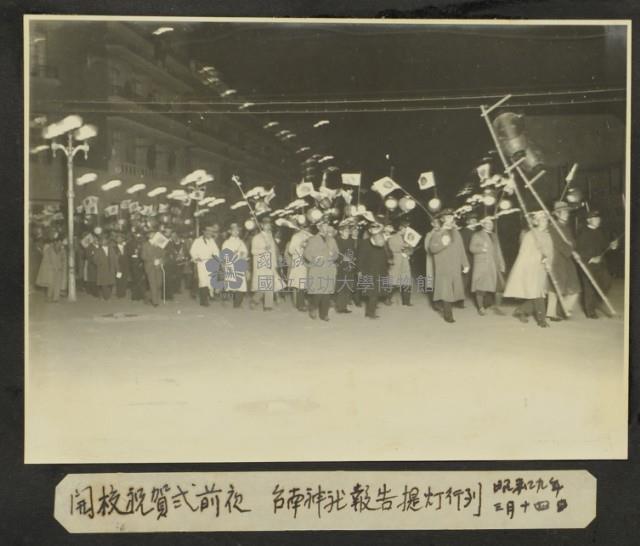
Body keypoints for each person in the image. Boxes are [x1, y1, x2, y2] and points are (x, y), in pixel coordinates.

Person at [504, 211, 554, 328]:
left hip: (542, 269)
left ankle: (521, 310)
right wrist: (538, 257)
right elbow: (524, 253)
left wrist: (548, 262)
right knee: (538, 294)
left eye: (546, 219)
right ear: (536, 222)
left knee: (538, 293)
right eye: (541, 220)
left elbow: (550, 252)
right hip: (531, 269)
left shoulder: (547, 235)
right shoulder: (530, 235)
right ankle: (541, 320)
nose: (544, 222)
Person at [428, 209, 469, 323]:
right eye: (447, 217)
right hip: (444, 266)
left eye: (451, 217)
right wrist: (442, 244)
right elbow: (432, 248)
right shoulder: (437, 233)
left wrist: (465, 263)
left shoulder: (456, 232)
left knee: (454, 289)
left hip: (455, 266)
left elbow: (461, 249)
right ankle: (448, 315)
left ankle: (438, 303)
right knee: (446, 290)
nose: (450, 219)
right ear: (442, 219)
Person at [575, 210, 617, 318]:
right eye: (596, 218)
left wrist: (612, 246)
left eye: (599, 218)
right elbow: (577, 250)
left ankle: (596, 301)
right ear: (589, 220)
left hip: (600, 264)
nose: (598, 220)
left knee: (607, 281)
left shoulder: (600, 232)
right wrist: (590, 259)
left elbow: (604, 246)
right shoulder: (582, 233)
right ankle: (590, 311)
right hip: (586, 265)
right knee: (589, 287)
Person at [546, 201, 580, 321]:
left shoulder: (566, 227)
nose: (566, 214)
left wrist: (571, 248)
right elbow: (559, 244)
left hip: (567, 260)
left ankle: (564, 309)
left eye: (567, 212)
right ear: (557, 214)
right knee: (556, 286)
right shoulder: (553, 226)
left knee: (574, 287)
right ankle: (551, 312)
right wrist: (570, 249)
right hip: (557, 260)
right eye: (563, 212)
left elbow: (572, 242)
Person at [303, 218, 339, 321]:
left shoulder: (332, 240)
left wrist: (333, 256)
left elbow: (337, 253)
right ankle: (313, 308)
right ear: (319, 227)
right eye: (324, 225)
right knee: (318, 293)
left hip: (328, 269)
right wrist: (314, 259)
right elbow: (306, 253)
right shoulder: (313, 239)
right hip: (317, 269)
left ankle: (324, 314)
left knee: (326, 294)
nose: (326, 227)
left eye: (327, 225)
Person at [469, 217, 506, 315]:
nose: (490, 225)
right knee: (480, 287)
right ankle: (481, 308)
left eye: (491, 223)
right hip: (483, 265)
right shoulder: (477, 235)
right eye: (488, 223)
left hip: (495, 265)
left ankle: (497, 307)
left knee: (499, 286)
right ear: (483, 224)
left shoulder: (494, 235)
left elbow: (498, 250)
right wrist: (482, 249)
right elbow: (471, 248)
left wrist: (502, 263)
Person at [357, 222, 392, 319]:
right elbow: (360, 258)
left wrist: (388, 263)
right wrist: (359, 271)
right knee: (373, 293)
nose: (375, 229)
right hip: (369, 271)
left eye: (377, 227)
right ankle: (371, 313)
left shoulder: (383, 243)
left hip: (380, 270)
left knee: (375, 292)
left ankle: (369, 311)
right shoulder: (365, 243)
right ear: (369, 230)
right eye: (373, 228)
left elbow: (387, 256)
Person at [250, 216, 284, 311]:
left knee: (269, 283)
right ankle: (255, 300)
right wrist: (263, 249)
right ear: (261, 225)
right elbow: (253, 251)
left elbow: (273, 251)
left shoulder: (271, 237)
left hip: (270, 263)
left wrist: (276, 260)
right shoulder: (256, 238)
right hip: (261, 264)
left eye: (269, 225)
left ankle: (267, 305)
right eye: (266, 225)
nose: (268, 227)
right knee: (264, 284)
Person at [190, 225, 220, 307]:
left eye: (211, 231)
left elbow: (216, 251)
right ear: (204, 231)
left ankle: (210, 296)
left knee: (210, 280)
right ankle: (203, 301)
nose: (209, 233)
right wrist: (196, 257)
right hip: (202, 263)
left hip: (210, 262)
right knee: (203, 281)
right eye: (208, 231)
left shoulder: (212, 241)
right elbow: (192, 251)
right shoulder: (198, 241)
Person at [221, 221, 249, 308]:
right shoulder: (227, 242)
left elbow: (245, 252)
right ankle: (225, 301)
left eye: (237, 231)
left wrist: (242, 254)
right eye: (234, 230)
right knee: (230, 285)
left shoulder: (241, 242)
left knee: (241, 285)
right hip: (230, 265)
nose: (236, 232)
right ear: (230, 231)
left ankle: (237, 304)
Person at [387, 218, 414, 306]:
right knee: (393, 281)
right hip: (396, 260)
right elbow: (391, 247)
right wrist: (402, 247)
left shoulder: (408, 238)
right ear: (401, 228)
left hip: (405, 260)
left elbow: (411, 250)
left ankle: (406, 302)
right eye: (406, 228)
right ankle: (387, 298)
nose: (407, 230)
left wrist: (409, 249)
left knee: (406, 280)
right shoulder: (393, 237)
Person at [287, 221, 311, 312]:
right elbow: (290, 250)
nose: (307, 229)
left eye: (308, 227)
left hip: (309, 261)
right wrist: (299, 246)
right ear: (301, 227)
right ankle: (300, 304)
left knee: (307, 283)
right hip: (299, 262)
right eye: (305, 227)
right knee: (300, 283)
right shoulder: (296, 237)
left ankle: (306, 302)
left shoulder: (310, 237)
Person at [335, 220, 357, 313]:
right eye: (346, 231)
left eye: (349, 231)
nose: (348, 233)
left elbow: (353, 251)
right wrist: (342, 259)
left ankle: (345, 306)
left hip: (350, 266)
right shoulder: (337, 241)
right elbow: (335, 253)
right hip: (341, 267)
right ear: (341, 231)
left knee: (348, 286)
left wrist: (354, 258)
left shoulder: (351, 240)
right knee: (341, 286)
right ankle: (340, 307)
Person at [36, 234, 66, 302]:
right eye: (59, 242)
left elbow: (64, 259)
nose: (60, 244)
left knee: (58, 284)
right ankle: (49, 297)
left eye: (61, 243)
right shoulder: (49, 250)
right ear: (56, 242)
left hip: (59, 269)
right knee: (50, 284)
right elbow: (46, 260)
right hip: (51, 270)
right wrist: (51, 267)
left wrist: (61, 266)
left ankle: (56, 298)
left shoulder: (62, 250)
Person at [92, 233, 119, 300]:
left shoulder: (111, 249)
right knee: (104, 284)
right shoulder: (98, 250)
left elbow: (115, 259)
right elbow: (95, 260)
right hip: (103, 269)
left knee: (111, 283)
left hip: (111, 269)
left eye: (105, 240)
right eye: (103, 240)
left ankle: (108, 295)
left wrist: (117, 269)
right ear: (101, 242)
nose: (104, 241)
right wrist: (100, 264)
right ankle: (107, 297)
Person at [141, 231, 165, 307]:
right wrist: (153, 259)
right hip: (150, 267)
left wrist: (161, 260)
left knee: (159, 283)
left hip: (158, 266)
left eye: (155, 235)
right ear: (148, 236)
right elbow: (143, 256)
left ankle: (148, 296)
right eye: (152, 235)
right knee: (153, 284)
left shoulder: (159, 243)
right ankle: (155, 302)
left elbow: (163, 254)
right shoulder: (145, 245)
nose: (154, 236)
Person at [423, 217, 440, 306]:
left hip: (441, 262)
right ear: (432, 224)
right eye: (435, 223)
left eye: (439, 222)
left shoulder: (443, 233)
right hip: (432, 260)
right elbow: (427, 248)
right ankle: (434, 302)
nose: (437, 224)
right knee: (432, 281)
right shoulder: (429, 235)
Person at [114, 232, 131, 299]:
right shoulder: (114, 248)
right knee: (119, 279)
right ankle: (119, 293)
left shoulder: (126, 247)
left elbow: (128, 255)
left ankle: (123, 292)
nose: (119, 240)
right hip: (118, 267)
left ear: (123, 239)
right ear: (116, 240)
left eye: (120, 238)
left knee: (124, 279)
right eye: (118, 238)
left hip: (125, 266)